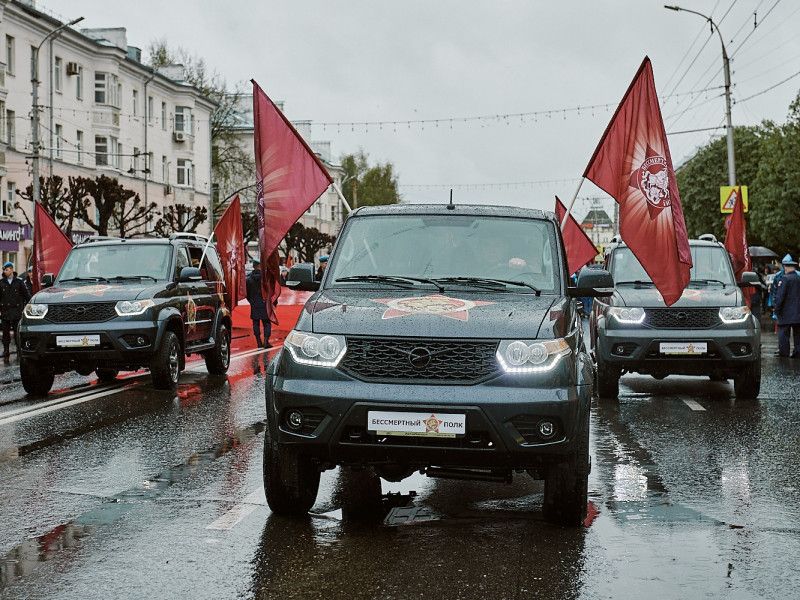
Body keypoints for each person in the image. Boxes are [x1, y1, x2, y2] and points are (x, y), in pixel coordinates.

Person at [0, 261, 31, 363]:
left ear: (12, 269)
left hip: (17, 313)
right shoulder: (1, 283)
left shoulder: (19, 282)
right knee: (5, 336)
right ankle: (6, 352)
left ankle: (19, 351)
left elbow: (27, 297)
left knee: (18, 334)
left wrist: (27, 309)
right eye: (4, 270)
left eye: (7, 269)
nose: (5, 271)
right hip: (5, 313)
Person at [774, 255, 800, 358]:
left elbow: (780, 297)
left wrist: (776, 309)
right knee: (798, 335)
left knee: (784, 334)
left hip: (785, 313)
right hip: (798, 313)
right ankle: (797, 352)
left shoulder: (784, 279)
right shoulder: (798, 279)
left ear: (787, 267)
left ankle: (784, 352)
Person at [246, 259, 271, 348]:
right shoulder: (265, 279)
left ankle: (259, 342)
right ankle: (266, 341)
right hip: (265, 303)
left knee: (255, 323)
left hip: (254, 304)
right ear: (260, 266)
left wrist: (251, 301)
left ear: (253, 266)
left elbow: (247, 294)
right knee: (267, 323)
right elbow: (270, 291)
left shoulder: (248, 279)